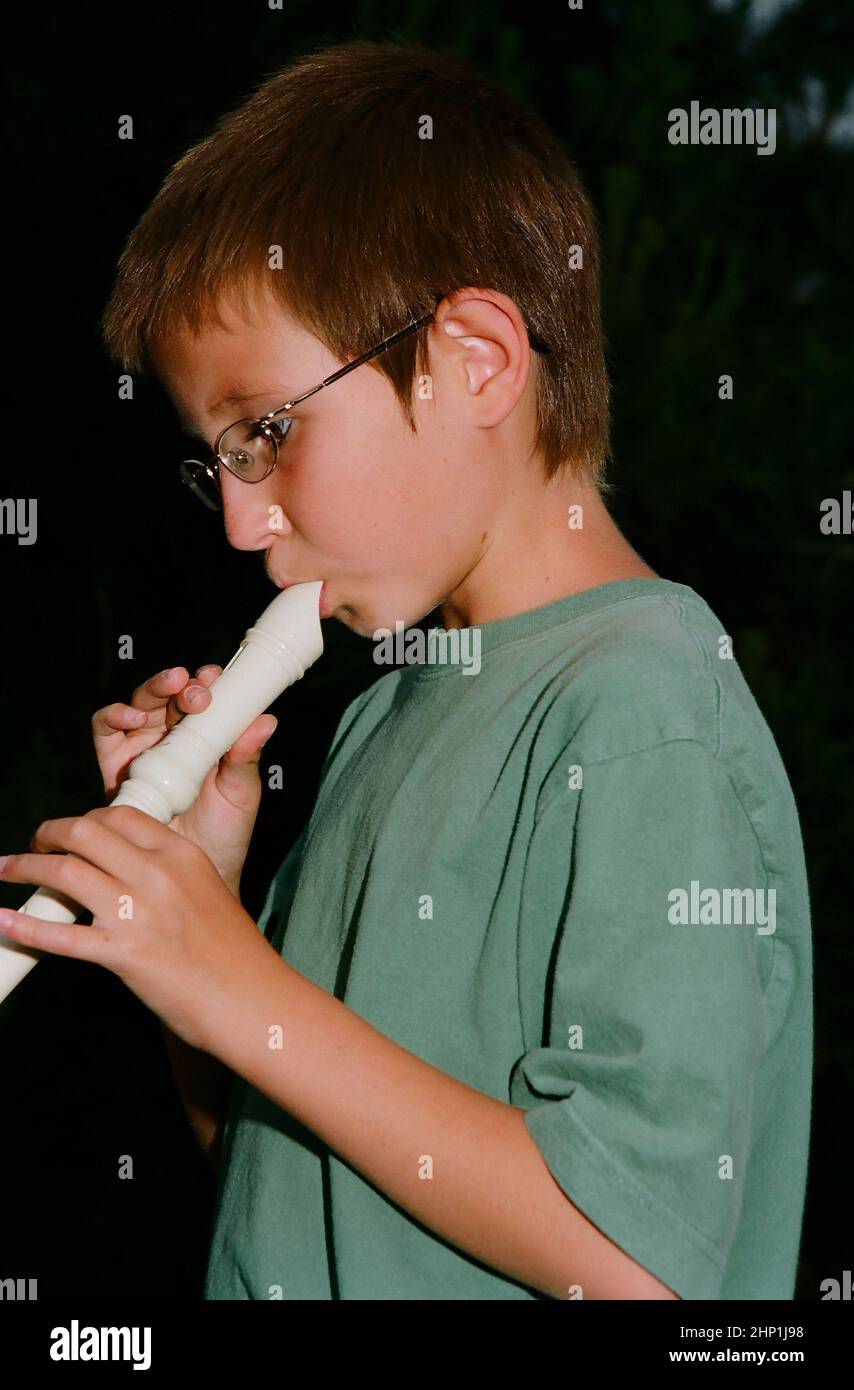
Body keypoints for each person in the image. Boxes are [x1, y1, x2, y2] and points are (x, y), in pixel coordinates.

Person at [0, 39, 812, 1300]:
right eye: (211, 461)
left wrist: (235, 979)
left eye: (264, 431)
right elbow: (274, 1169)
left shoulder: (641, 708)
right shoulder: (388, 708)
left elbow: (635, 1259)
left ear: (475, 360)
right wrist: (200, 925)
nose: (235, 522)